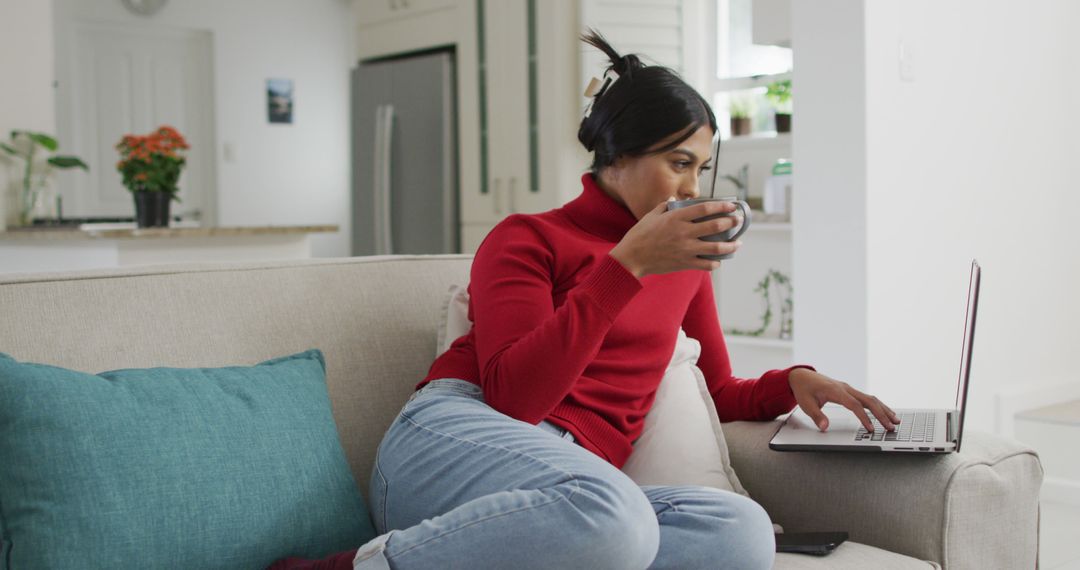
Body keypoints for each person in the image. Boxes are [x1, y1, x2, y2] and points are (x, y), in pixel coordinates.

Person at [269, 31, 900, 570]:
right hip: (453, 444)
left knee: (740, 532)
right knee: (614, 514)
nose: (689, 187)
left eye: (700, 169)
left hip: (570, 491)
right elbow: (515, 398)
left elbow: (719, 388)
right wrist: (626, 265)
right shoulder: (529, 237)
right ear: (618, 155)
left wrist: (794, 381)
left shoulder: (684, 265)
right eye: (678, 162)